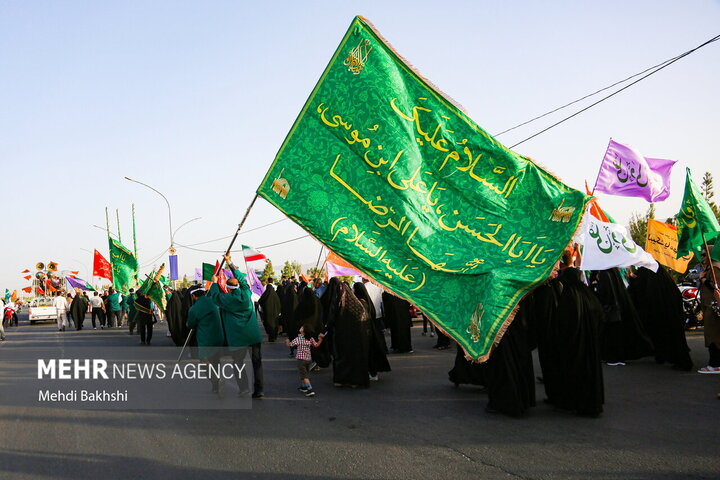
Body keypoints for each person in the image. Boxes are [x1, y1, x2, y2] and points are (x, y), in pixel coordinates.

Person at [210, 255, 264, 398]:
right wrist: (230, 263)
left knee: (238, 363)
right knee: (257, 363)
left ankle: (244, 388)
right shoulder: (247, 293)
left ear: (228, 288)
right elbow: (242, 280)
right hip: (253, 335)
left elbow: (215, 297)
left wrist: (214, 283)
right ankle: (259, 390)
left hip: (238, 337)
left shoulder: (228, 299)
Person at [627, 266, 693, 371]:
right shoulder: (663, 280)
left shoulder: (648, 277)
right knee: (672, 336)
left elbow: (639, 289)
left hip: (660, 313)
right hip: (670, 313)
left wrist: (632, 279)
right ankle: (670, 357)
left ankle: (678, 361)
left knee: (666, 335)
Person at [590, 268, 653, 365]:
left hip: (610, 310)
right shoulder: (613, 273)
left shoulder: (605, 274)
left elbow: (604, 293)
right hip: (617, 309)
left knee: (611, 335)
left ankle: (613, 357)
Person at [186, 285, 225, 393]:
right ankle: (216, 384)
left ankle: (216, 382)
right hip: (219, 336)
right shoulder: (214, 301)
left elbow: (191, 324)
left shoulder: (194, 309)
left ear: (193, 296)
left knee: (205, 361)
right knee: (215, 360)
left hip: (206, 339)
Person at [353, 282, 391, 380]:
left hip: (366, 332)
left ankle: (372, 373)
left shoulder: (361, 303)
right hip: (372, 328)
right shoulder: (367, 301)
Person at [697, 247, 720, 374]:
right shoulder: (709, 268)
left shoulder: (715, 267)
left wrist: (703, 279)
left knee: (713, 336)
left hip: (714, 307)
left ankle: (715, 365)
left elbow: (715, 288)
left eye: (705, 255)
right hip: (710, 306)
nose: (702, 258)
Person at [286, 324, 325, 396]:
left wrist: (287, 341)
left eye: (302, 327)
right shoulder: (310, 338)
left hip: (301, 360)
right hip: (308, 359)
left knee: (304, 375)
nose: (300, 327)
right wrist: (320, 339)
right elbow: (316, 345)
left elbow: (290, 345)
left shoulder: (298, 339)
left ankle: (310, 389)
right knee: (306, 373)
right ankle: (303, 386)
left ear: (303, 331)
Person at [258, 278, 281, 342]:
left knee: (268, 324)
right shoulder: (275, 295)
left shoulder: (265, 295)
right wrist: (279, 311)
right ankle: (274, 337)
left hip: (267, 313)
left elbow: (260, 301)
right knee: (275, 324)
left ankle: (271, 337)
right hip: (275, 313)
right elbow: (278, 304)